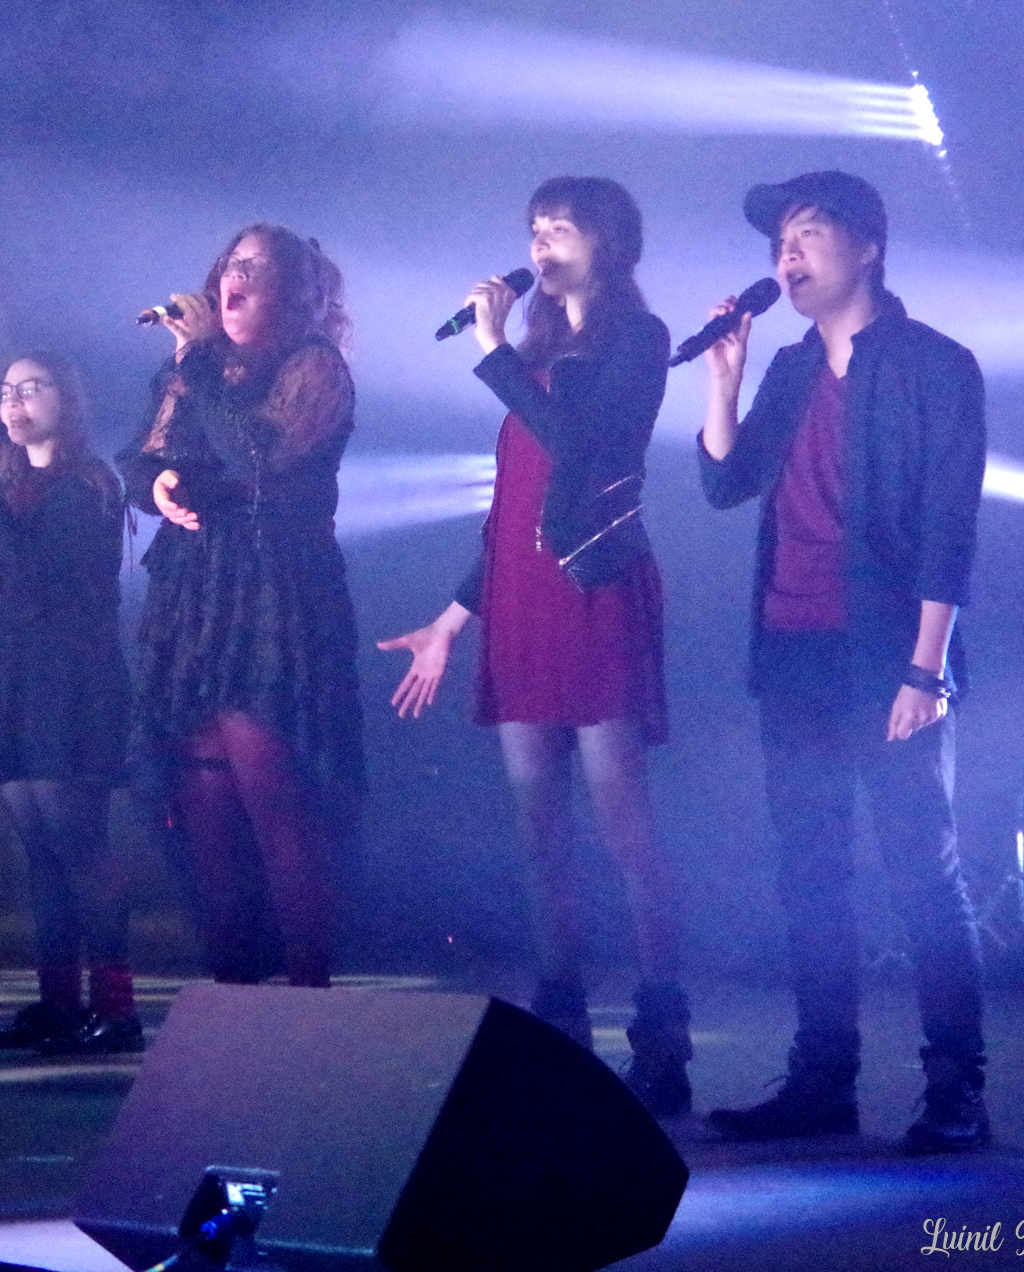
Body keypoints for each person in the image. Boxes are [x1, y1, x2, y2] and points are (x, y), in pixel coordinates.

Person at [379, 177, 692, 1116]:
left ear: (609, 243)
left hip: (592, 592)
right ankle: (561, 1028)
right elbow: (513, 509)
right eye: (534, 230)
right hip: (520, 597)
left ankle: (663, 1037)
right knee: (538, 830)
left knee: (622, 821)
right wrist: (450, 620)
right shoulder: (533, 352)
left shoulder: (639, 340)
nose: (542, 245)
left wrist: (490, 352)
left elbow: (579, 447)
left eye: (560, 228)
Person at [696, 171, 989, 1154]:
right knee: (810, 875)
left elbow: (950, 526)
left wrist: (926, 671)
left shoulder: (936, 365)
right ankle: (823, 1078)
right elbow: (726, 484)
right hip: (793, 651)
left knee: (922, 873)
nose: (787, 254)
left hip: (889, 655)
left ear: (868, 245)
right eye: (780, 240)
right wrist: (724, 377)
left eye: (809, 232)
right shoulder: (785, 370)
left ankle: (957, 1089)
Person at [119, 223, 361, 989]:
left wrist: (195, 360)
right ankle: (231, 998)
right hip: (195, 587)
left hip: (272, 589)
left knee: (274, 802)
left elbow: (255, 456)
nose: (237, 276)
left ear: (290, 289)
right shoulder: (193, 371)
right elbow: (139, 459)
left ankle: (307, 997)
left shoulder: (312, 364)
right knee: (205, 809)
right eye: (232, 262)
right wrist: (156, 487)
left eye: (257, 266)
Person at [0, 352, 139, 1054]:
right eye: (6, 392)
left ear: (66, 399)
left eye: (31, 388)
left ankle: (115, 1009)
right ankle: (58, 1003)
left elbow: (39, 577)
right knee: (40, 851)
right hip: (12, 679)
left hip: (70, 680)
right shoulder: (14, 491)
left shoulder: (89, 485)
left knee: (78, 844)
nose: (14, 403)